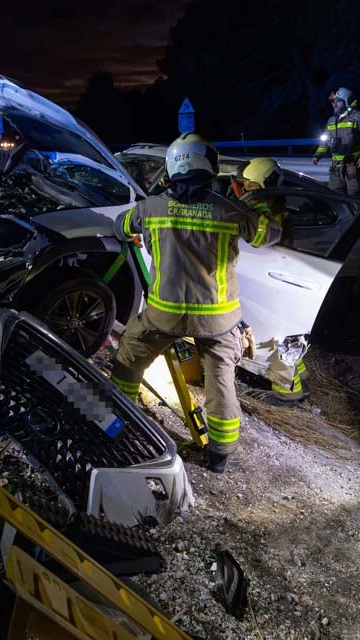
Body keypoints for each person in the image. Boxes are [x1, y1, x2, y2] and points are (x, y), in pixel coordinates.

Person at [109, 135, 280, 473]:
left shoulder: (151, 208)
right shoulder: (229, 209)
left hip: (164, 315)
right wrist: (256, 199)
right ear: (207, 165)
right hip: (218, 320)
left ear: (174, 166)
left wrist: (138, 231)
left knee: (128, 363)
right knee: (220, 379)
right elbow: (267, 234)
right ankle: (219, 456)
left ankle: (120, 429)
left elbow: (120, 227)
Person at [231, 157, 307, 401]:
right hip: (279, 275)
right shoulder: (275, 206)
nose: (239, 189)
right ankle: (301, 374)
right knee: (286, 336)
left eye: (245, 185)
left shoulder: (267, 213)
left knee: (277, 338)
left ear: (258, 186)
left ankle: (288, 394)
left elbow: (259, 237)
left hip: (275, 279)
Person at [311, 87, 360, 195]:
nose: (335, 104)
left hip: (353, 165)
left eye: (338, 101)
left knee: (354, 194)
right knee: (335, 194)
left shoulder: (358, 117)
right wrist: (317, 155)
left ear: (347, 102)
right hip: (335, 166)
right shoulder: (331, 120)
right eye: (334, 101)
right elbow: (324, 141)